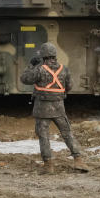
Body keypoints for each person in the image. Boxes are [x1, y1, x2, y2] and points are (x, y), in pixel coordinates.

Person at [19, 42, 88, 174]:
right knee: (67, 134)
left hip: (42, 108)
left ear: (43, 56)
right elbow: (69, 86)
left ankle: (48, 165)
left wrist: (31, 65)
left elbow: (24, 79)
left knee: (43, 136)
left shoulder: (39, 69)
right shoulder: (64, 69)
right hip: (59, 107)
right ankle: (78, 160)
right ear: (55, 55)